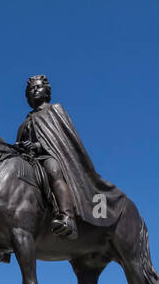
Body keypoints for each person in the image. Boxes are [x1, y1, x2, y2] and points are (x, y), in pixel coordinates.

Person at [15, 75, 125, 240]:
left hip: (49, 156)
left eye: (38, 87)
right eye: (31, 89)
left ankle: (68, 218)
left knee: (53, 170)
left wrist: (38, 147)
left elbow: (62, 140)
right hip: (29, 161)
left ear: (47, 91)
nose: (34, 90)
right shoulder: (24, 123)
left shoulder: (55, 111)